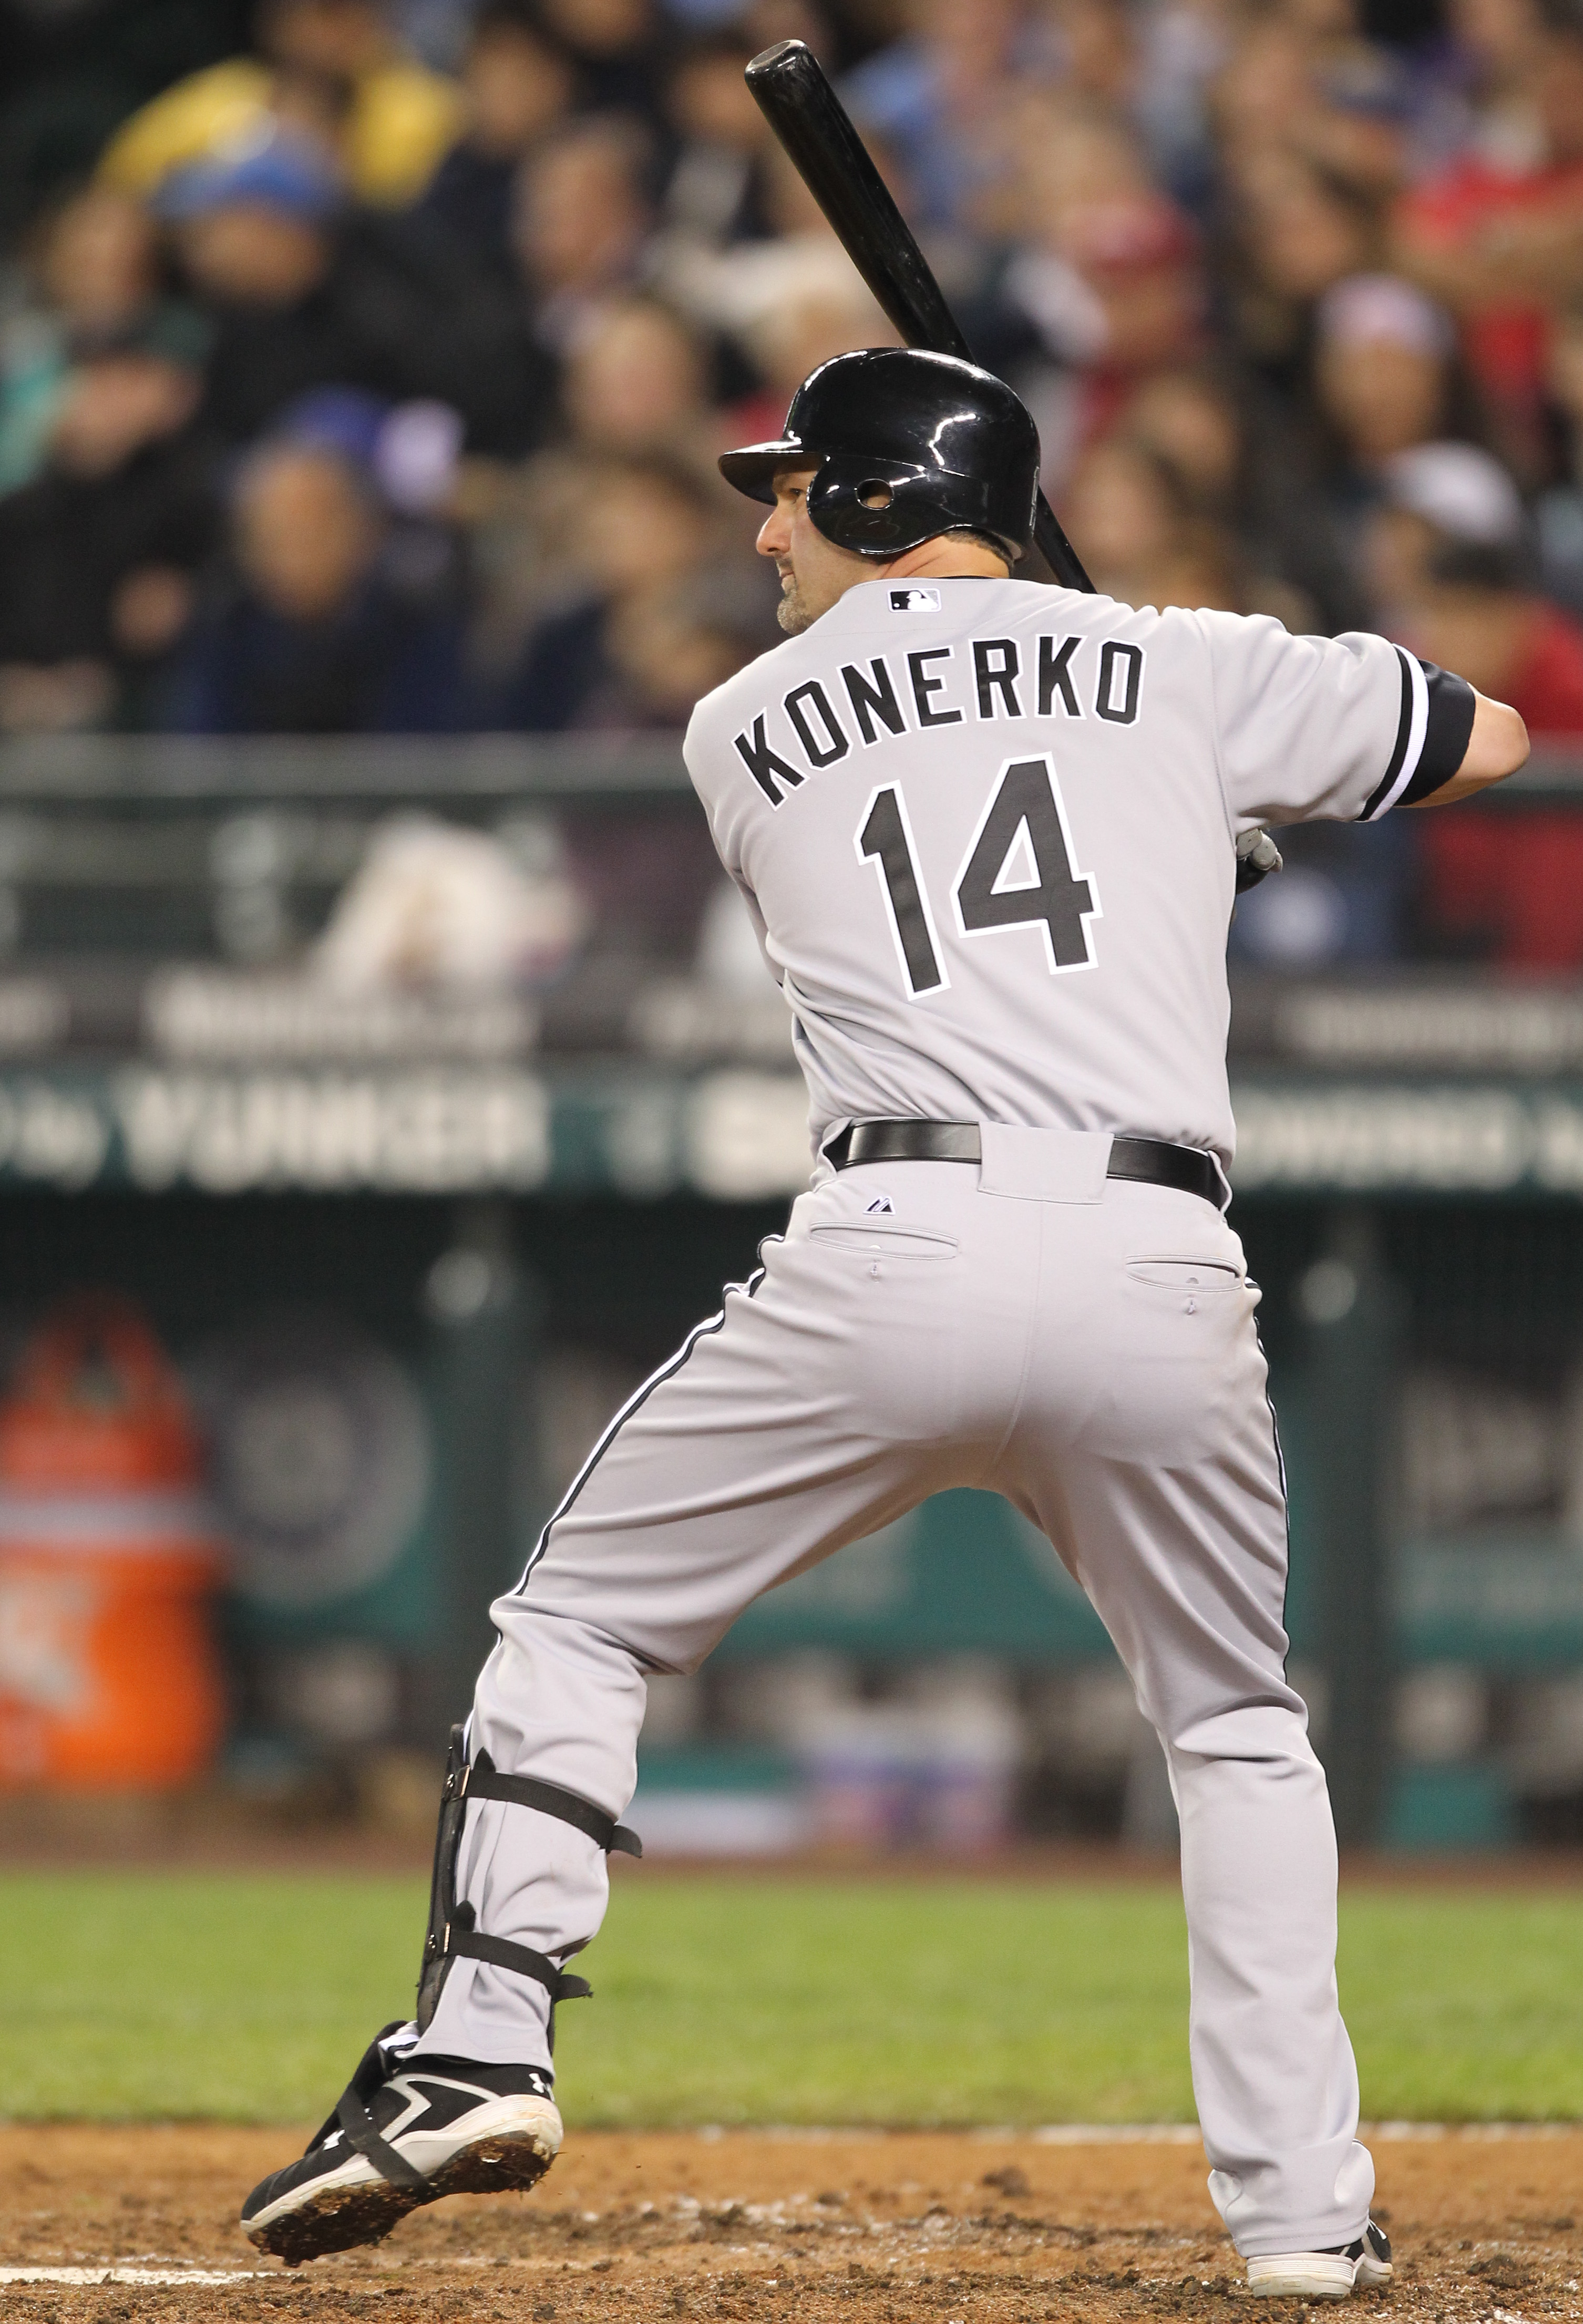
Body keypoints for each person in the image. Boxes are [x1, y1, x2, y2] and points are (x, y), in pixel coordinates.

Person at [237, 347, 1528, 2294]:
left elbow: (957, 809)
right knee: (1243, 1736)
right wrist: (1221, 776)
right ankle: (1302, 2227)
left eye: (794, 491)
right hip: (1159, 1266)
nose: (764, 529)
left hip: (893, 1246)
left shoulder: (735, 724)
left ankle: (478, 2044)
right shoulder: (1177, 662)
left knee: (577, 1623)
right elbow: (1488, 736)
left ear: (875, 501)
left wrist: (1171, 776)